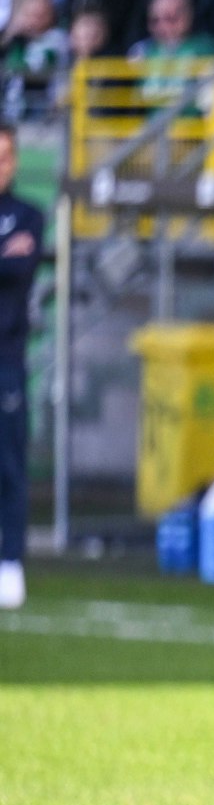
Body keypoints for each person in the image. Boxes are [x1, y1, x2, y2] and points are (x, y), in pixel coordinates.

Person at [0, 122, 39, 610]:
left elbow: (21, 269)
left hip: (6, 361)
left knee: (9, 464)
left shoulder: (28, 214)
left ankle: (10, 563)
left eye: (6, 155)